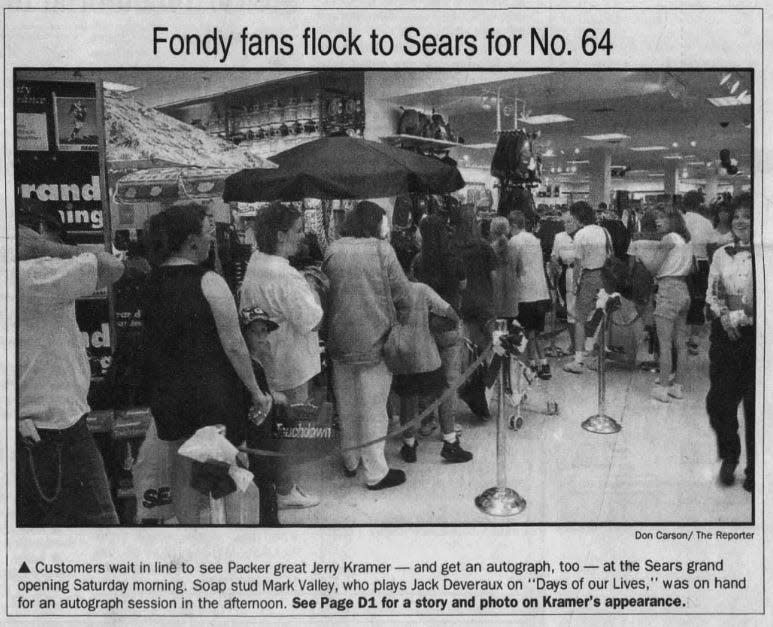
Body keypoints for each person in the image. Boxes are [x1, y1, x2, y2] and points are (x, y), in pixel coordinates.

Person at [141, 204, 273, 523]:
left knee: (182, 465)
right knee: (229, 468)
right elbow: (234, 345)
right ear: (191, 241)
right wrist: (256, 392)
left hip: (168, 392)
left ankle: (191, 536)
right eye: (207, 234)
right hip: (212, 393)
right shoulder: (209, 281)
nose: (210, 240)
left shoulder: (151, 281)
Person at [17, 205, 125, 525]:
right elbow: (110, 266)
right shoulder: (35, 274)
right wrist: (42, 247)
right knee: (98, 534)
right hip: (53, 431)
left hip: (31, 426)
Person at [239, 202, 323, 510]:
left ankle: (276, 484)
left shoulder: (255, 262)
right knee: (288, 429)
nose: (302, 237)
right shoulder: (287, 276)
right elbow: (311, 318)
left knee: (270, 429)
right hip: (290, 363)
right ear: (280, 234)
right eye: (297, 231)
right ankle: (286, 488)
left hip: (266, 360)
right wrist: (312, 287)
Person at [323, 201, 412, 490]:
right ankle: (375, 472)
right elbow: (404, 295)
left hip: (339, 342)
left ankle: (350, 460)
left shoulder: (333, 250)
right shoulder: (382, 250)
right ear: (375, 223)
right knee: (374, 410)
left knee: (346, 406)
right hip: (376, 343)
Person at [411, 214, 472, 458]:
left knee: (426, 375)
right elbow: (463, 286)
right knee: (448, 382)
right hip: (449, 324)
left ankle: (426, 422)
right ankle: (449, 431)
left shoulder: (418, 260)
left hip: (425, 326)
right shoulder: (454, 259)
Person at [705, 195, 754, 492]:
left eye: (747, 215)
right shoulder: (721, 253)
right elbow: (713, 290)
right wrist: (723, 315)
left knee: (754, 406)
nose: (740, 221)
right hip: (725, 336)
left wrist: (741, 318)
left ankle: (755, 470)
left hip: (755, 336)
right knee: (718, 402)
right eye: (736, 215)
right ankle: (730, 454)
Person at [395, 281, 471, 464]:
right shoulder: (420, 289)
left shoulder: (388, 292)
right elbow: (449, 312)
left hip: (402, 353)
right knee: (443, 393)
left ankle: (409, 445)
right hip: (426, 354)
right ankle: (450, 441)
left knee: (408, 399)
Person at [646, 205, 693, 403]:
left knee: (664, 343)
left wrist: (641, 254)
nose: (658, 221)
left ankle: (663, 387)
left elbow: (653, 267)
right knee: (681, 344)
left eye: (663, 218)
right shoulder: (685, 241)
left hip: (668, 290)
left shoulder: (667, 239)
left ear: (672, 220)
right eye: (657, 218)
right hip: (683, 289)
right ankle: (678, 386)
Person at [563, 201, 607, 374]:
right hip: (604, 275)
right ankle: (597, 353)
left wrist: (575, 285)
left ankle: (578, 360)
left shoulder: (581, 234)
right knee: (603, 314)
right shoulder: (603, 231)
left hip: (589, 276)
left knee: (580, 318)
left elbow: (578, 264)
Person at [508, 210, 551, 379]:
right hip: (541, 291)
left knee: (523, 331)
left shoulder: (514, 241)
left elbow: (514, 268)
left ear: (513, 225)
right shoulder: (535, 239)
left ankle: (528, 366)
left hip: (524, 293)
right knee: (535, 332)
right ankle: (542, 364)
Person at [680, 190, 714, 354]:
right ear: (699, 204)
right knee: (698, 301)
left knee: (682, 300)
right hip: (702, 264)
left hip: (682, 264)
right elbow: (711, 246)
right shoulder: (706, 223)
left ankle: (678, 338)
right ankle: (694, 341)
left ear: (684, 204)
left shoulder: (679, 220)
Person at [550, 207, 579, 354]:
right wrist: (554, 262)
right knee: (571, 311)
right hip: (567, 275)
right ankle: (574, 344)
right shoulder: (559, 237)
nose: (567, 224)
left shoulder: (583, 235)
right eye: (565, 222)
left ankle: (587, 344)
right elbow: (554, 255)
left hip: (583, 274)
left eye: (570, 221)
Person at [489, 216, 518, 322]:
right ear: (508, 229)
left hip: (495, 295)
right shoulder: (514, 247)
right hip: (511, 295)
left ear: (491, 229)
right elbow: (520, 270)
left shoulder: (489, 249)